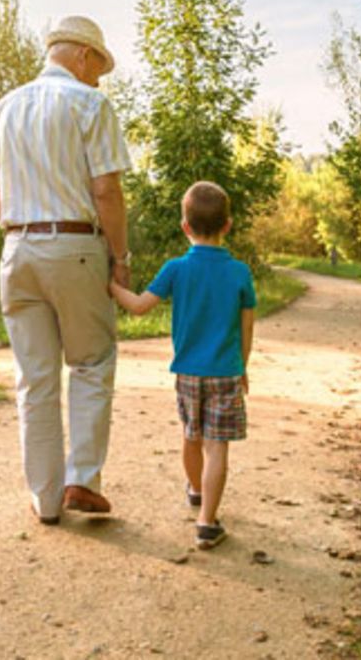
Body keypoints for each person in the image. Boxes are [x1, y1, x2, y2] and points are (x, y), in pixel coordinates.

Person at [0, 15, 133, 525]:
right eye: (99, 67)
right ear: (84, 57)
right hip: (75, 247)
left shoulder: (6, 106)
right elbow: (106, 189)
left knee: (35, 378)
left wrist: (19, 230)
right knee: (90, 363)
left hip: (16, 248)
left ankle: (45, 500)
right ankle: (82, 481)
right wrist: (121, 257)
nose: (99, 79)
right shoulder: (90, 104)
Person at [108, 181, 255, 549]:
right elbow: (246, 326)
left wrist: (110, 286)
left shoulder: (176, 269)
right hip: (225, 372)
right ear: (228, 225)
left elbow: (140, 305)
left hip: (187, 372)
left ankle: (195, 489)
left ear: (185, 226)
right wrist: (243, 367)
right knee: (217, 445)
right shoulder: (240, 273)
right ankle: (207, 522)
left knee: (192, 435)